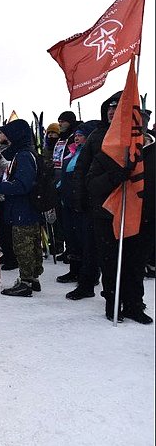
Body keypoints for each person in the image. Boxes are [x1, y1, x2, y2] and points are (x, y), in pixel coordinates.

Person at [85, 94, 152, 324]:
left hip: (144, 218)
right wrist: (117, 174)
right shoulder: (107, 152)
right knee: (112, 262)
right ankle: (113, 303)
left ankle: (134, 305)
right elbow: (92, 185)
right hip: (109, 216)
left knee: (135, 265)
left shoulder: (151, 151)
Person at [0, 119, 43, 296]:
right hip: (24, 208)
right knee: (30, 243)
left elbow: (22, 185)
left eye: (7, 135)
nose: (5, 139)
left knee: (23, 244)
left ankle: (26, 282)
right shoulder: (22, 154)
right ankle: (32, 278)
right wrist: (0, 182)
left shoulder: (24, 156)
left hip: (23, 208)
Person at [55, 121, 101, 300]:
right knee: (72, 238)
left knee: (85, 241)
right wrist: (58, 186)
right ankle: (74, 270)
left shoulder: (90, 152)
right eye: (76, 134)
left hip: (82, 203)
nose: (77, 137)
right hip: (68, 201)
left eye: (81, 134)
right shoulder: (72, 151)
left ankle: (89, 275)